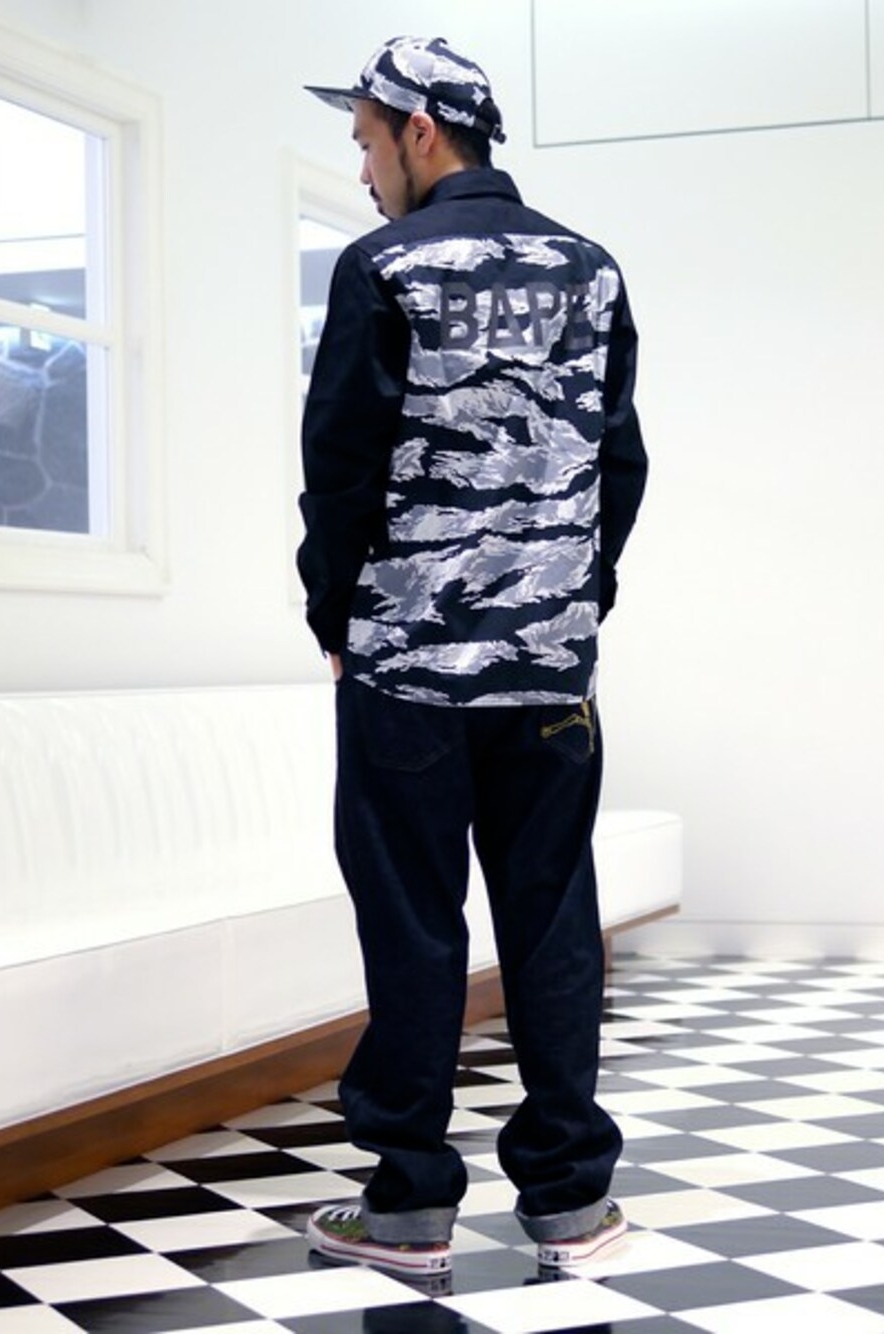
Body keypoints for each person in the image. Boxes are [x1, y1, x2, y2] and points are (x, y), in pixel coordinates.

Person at [297, 35, 647, 1277]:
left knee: (412, 920)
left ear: (420, 130)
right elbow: (618, 461)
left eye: (366, 142)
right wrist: (573, 604)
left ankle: (409, 1205)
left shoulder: (384, 266)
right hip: (547, 665)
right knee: (551, 916)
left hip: (406, 665)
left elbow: (342, 464)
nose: (363, 172)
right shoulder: (588, 268)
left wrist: (335, 618)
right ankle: (569, 1202)